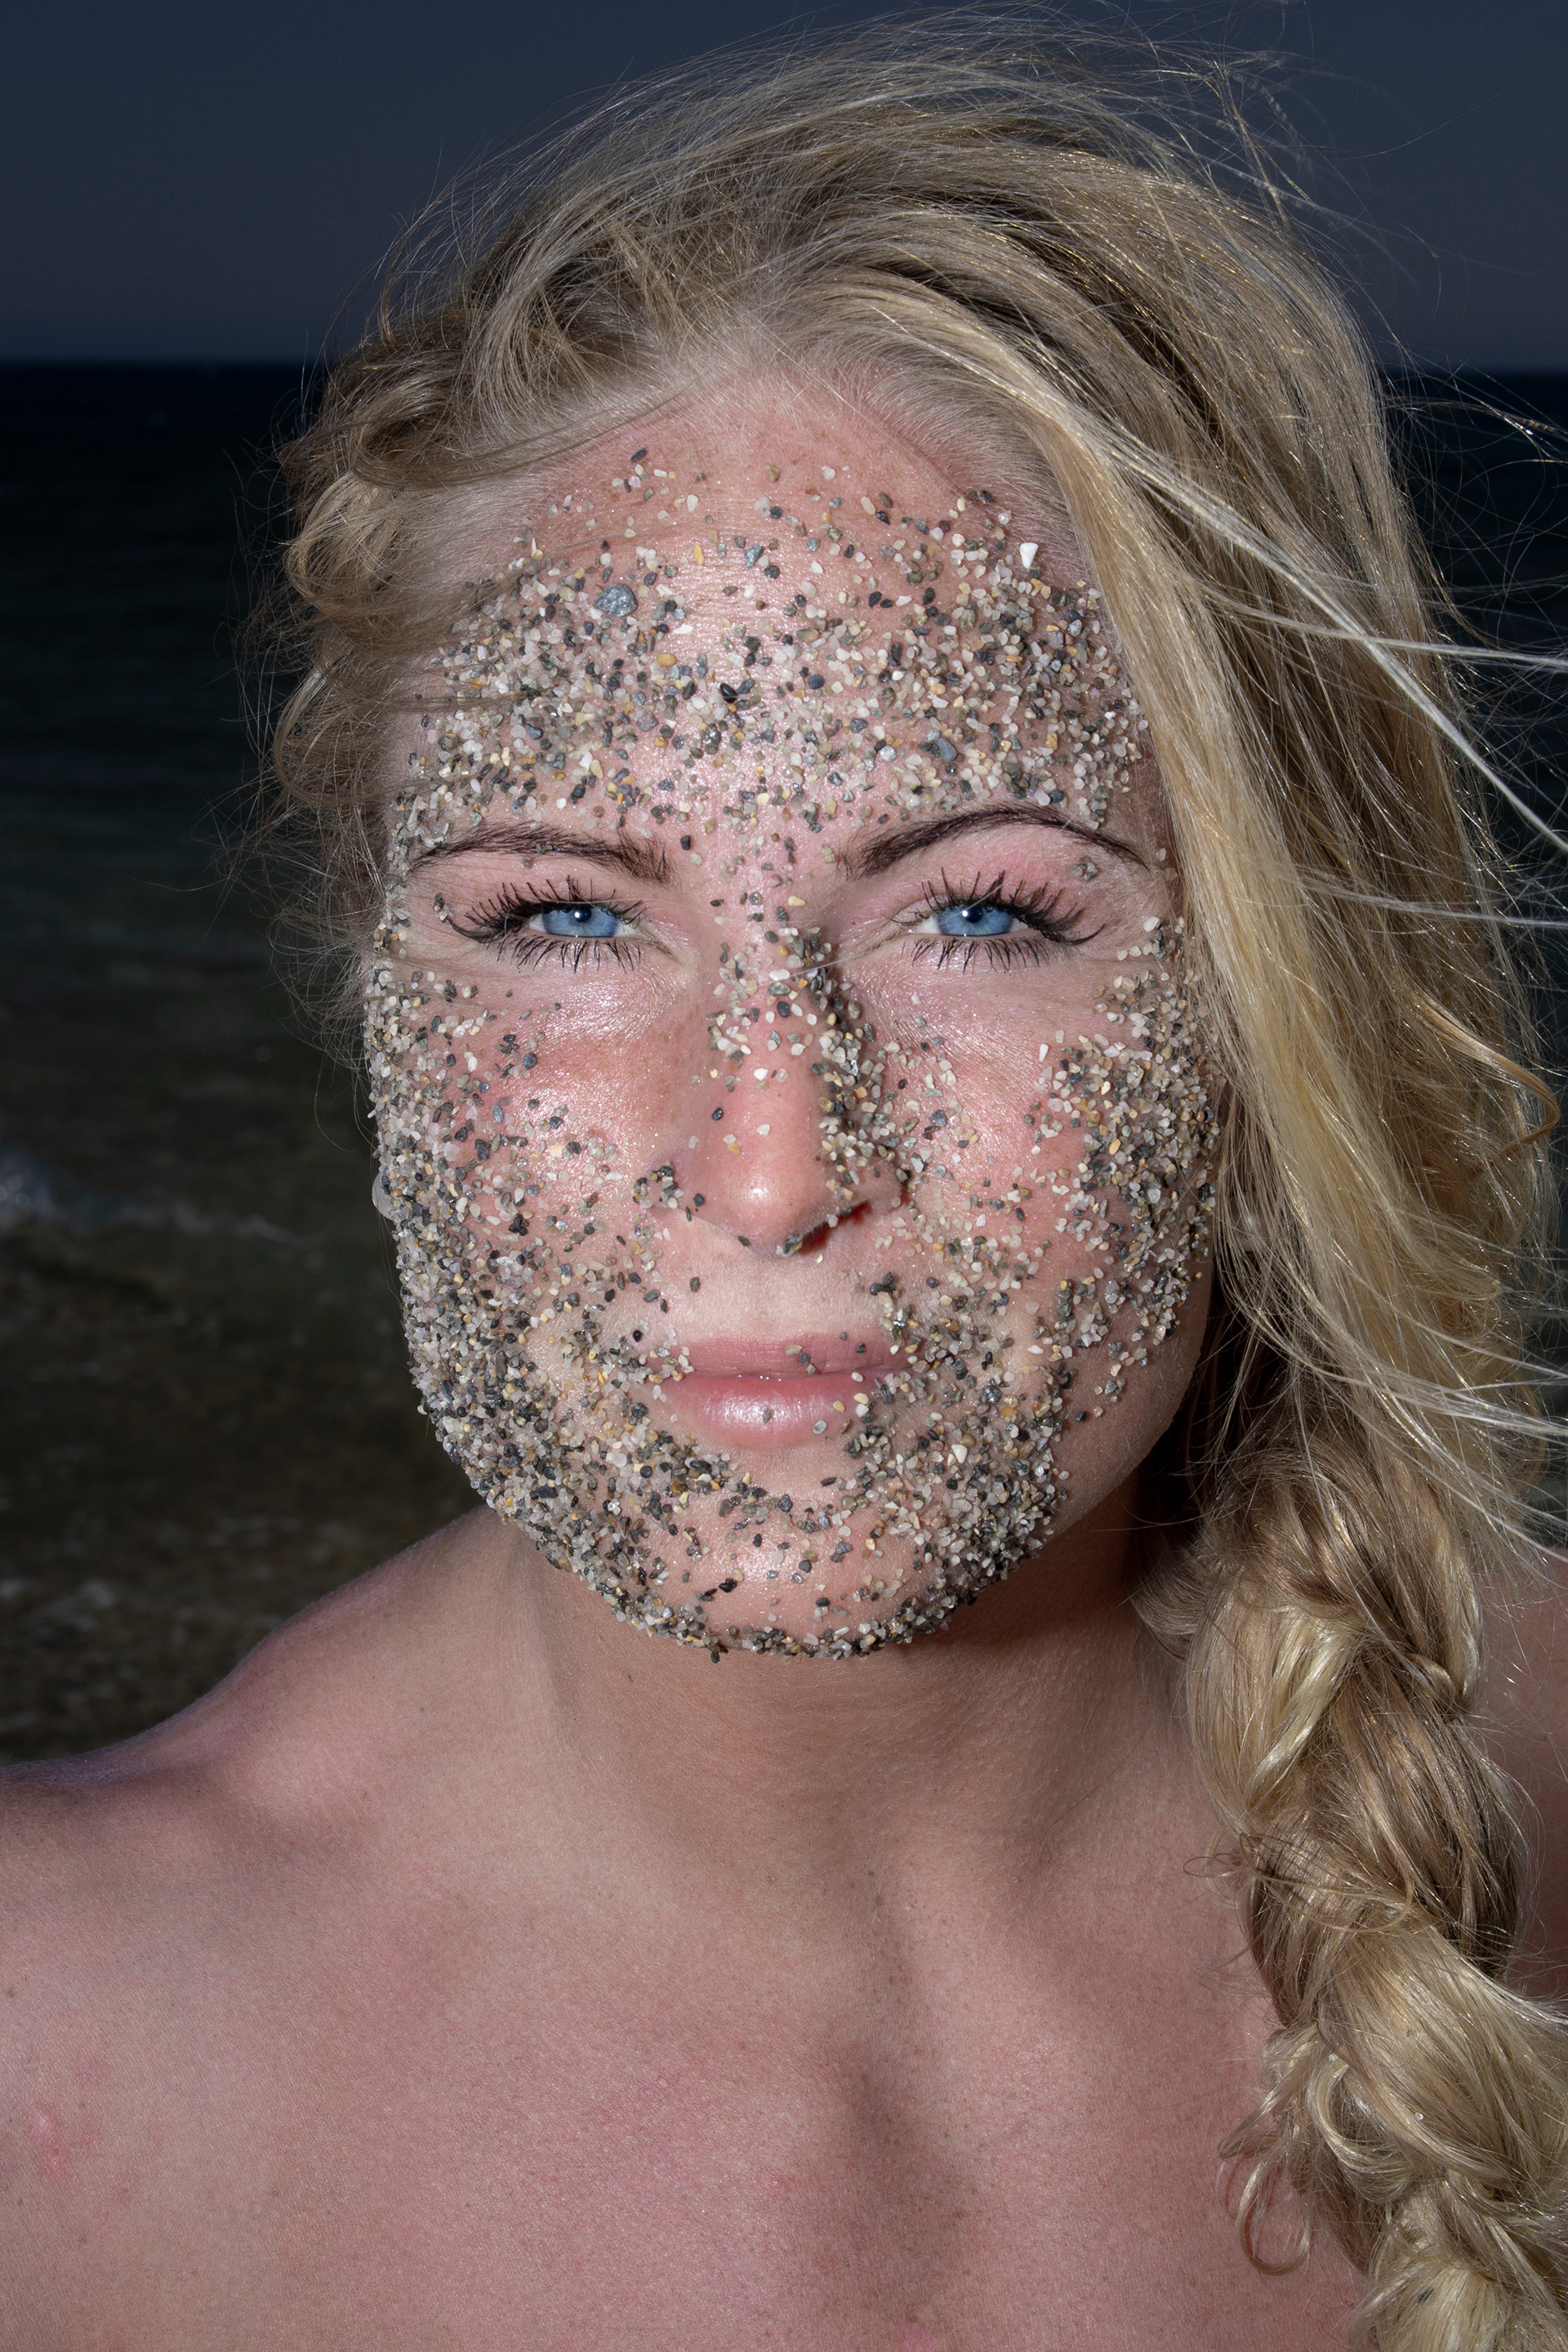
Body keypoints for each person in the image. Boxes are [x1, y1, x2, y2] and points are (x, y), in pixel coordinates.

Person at [3, 20, 1566, 2349]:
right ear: (369, 978)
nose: (767, 1167)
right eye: (565, 916)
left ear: (1282, 994)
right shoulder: (56, 2067)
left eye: (983, 913)